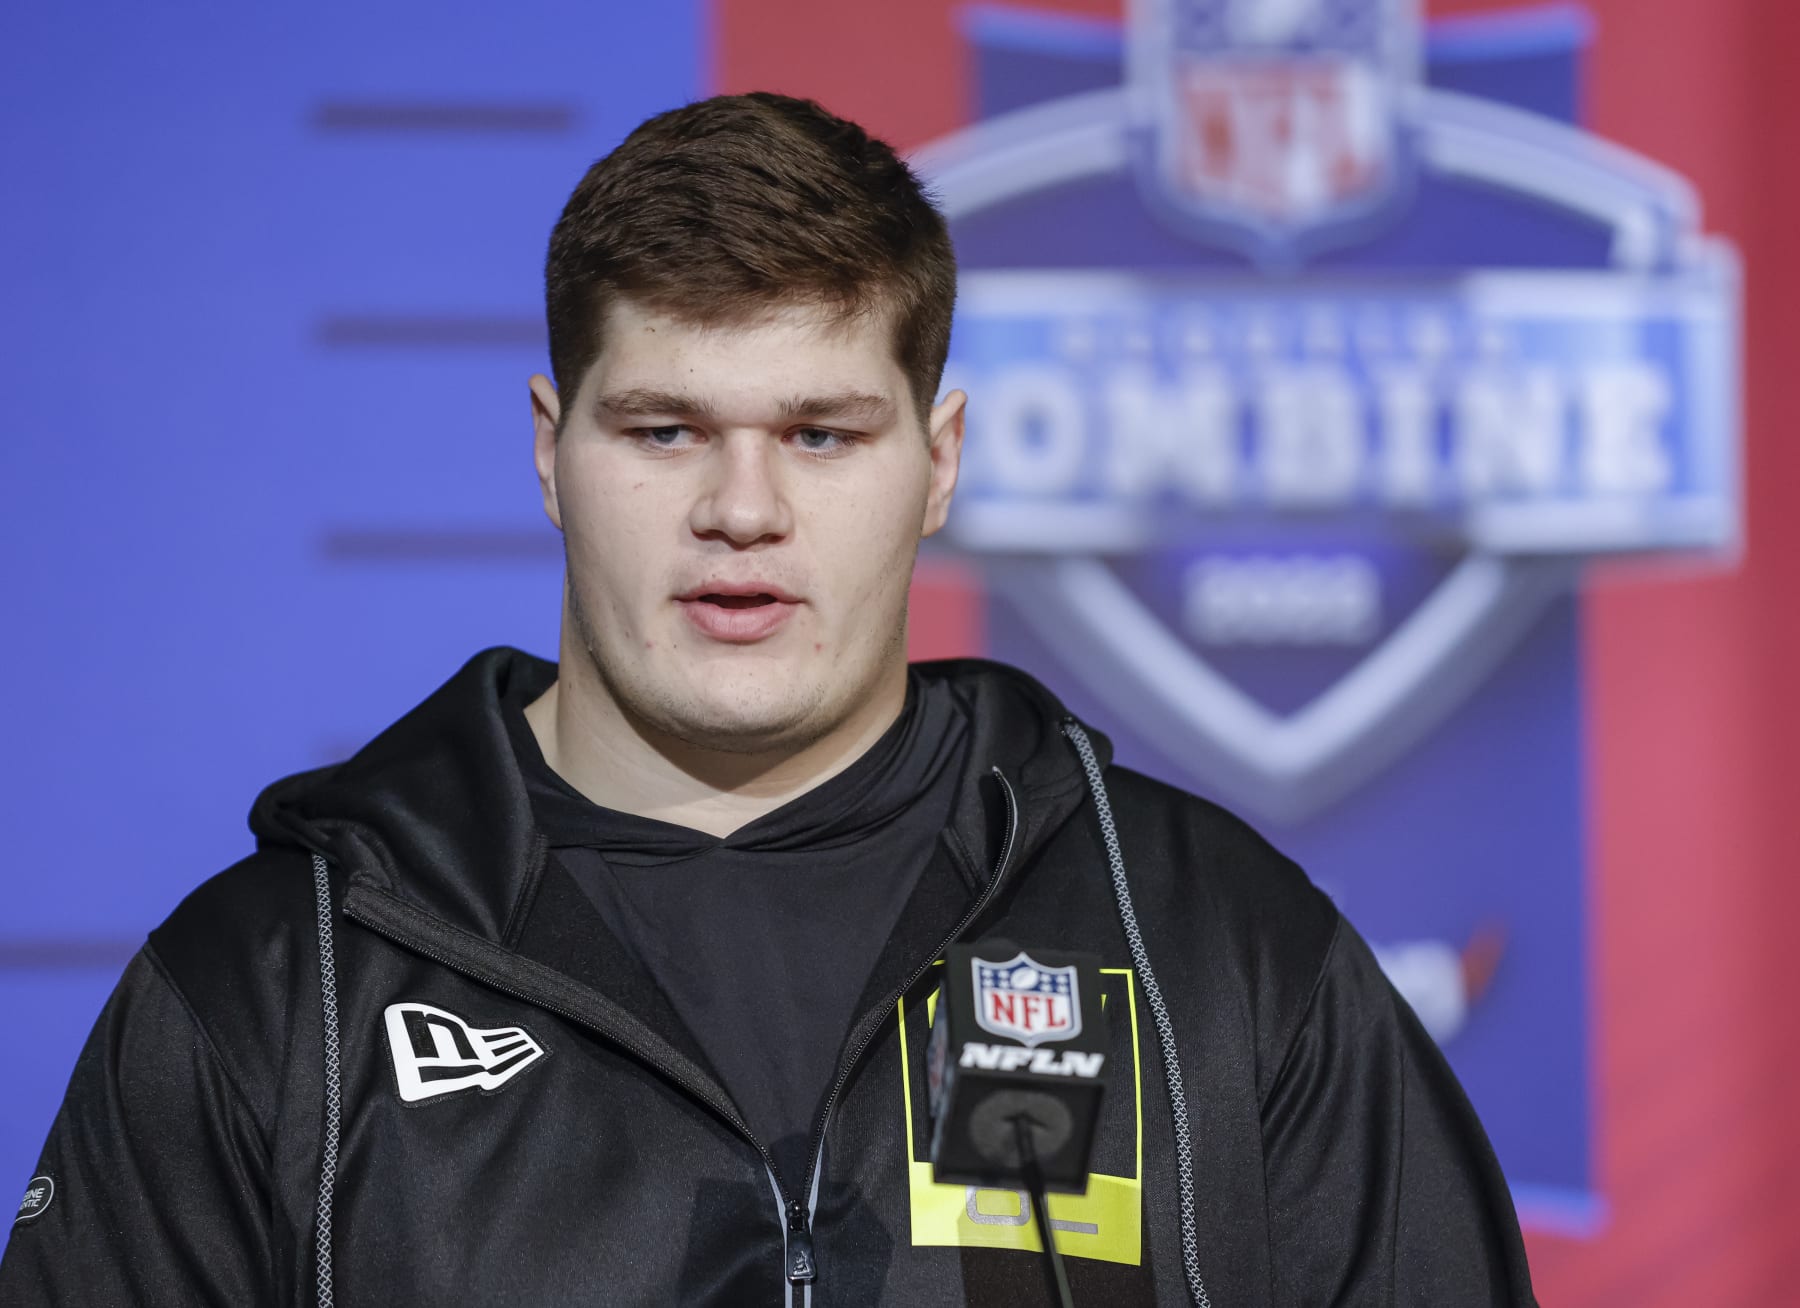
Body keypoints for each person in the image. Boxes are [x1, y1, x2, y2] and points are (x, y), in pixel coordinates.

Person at [0, 93, 1537, 1307]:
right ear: (551, 448)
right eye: (665, 431)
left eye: (820, 434)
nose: (742, 509)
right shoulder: (277, 993)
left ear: (938, 462)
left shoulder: (1219, 950)